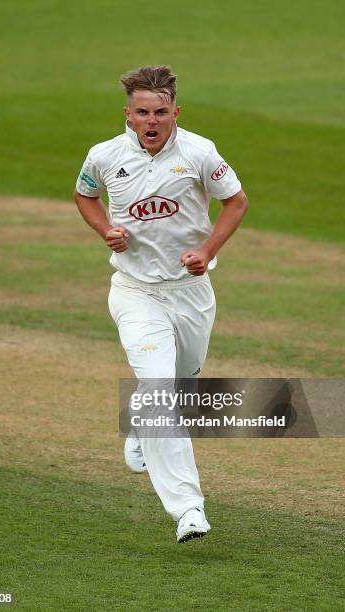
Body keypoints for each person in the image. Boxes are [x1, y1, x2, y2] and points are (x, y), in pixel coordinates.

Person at [74, 65, 248, 543]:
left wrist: (207, 252)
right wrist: (104, 230)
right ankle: (188, 508)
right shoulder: (104, 155)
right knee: (159, 397)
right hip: (136, 292)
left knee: (181, 387)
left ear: (175, 112)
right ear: (128, 115)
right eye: (143, 113)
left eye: (161, 112)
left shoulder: (199, 152)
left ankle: (139, 429)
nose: (152, 122)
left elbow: (235, 201)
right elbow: (85, 194)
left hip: (191, 293)